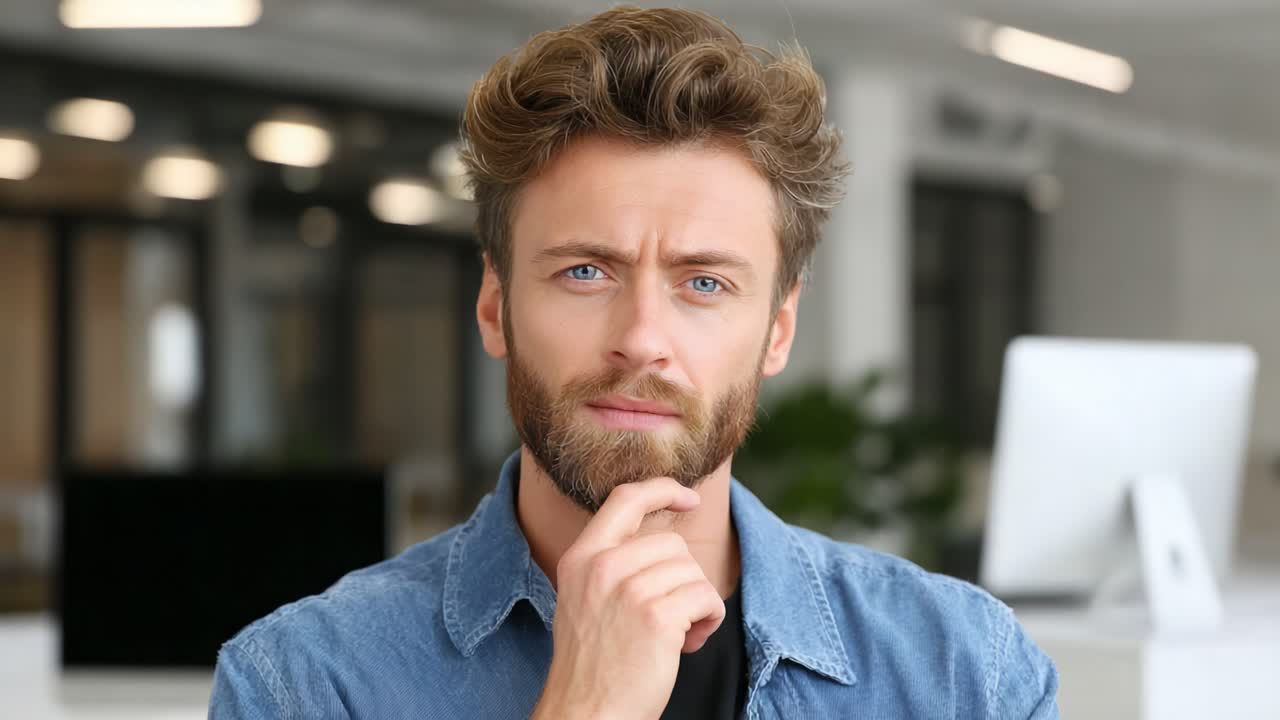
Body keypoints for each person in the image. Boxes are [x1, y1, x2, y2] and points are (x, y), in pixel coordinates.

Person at [209, 6, 1059, 718]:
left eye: (704, 282)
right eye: (586, 272)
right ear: (495, 304)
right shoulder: (308, 686)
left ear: (777, 329)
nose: (643, 336)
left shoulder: (963, 676)